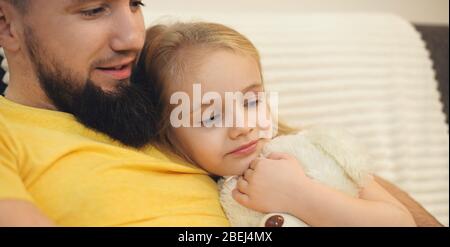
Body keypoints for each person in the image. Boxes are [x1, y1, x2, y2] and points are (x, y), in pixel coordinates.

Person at [0, 0, 442, 226]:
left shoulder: (145, 92)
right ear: (6, 24)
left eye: (135, 2)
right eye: (93, 9)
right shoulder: (9, 135)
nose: (130, 36)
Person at [134, 22, 416, 226]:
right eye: (210, 116)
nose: (242, 126)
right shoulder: (195, 197)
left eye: (251, 101)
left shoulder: (313, 151)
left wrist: (300, 195)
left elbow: (402, 223)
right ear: (168, 132)